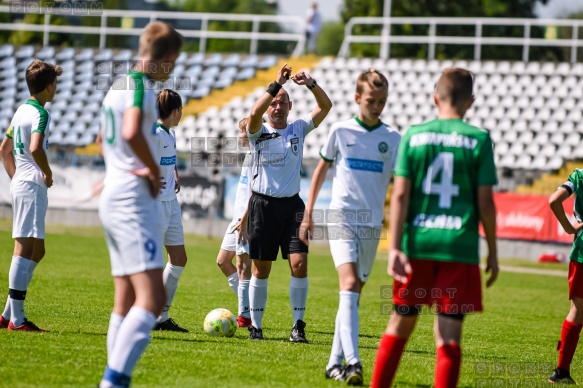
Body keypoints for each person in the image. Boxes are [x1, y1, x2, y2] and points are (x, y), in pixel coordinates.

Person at [370, 68, 499, 388]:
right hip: (459, 248)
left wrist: (395, 247)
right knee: (449, 336)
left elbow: (399, 194)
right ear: (471, 101)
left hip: (418, 246)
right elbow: (486, 204)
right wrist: (493, 253)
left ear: (434, 97)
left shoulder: (414, 135)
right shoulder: (480, 140)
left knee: (399, 325)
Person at [300, 69, 401, 385]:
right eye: (371, 100)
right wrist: (309, 213)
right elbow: (320, 170)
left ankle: (333, 363)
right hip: (341, 218)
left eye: (382, 101)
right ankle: (354, 363)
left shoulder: (393, 138)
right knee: (348, 284)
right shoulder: (340, 131)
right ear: (358, 98)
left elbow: (401, 185)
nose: (376, 106)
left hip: (372, 226)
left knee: (354, 295)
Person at [98, 21, 182, 387]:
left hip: (114, 193)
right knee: (152, 299)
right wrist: (150, 171)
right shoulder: (140, 88)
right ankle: (114, 381)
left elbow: (104, 135)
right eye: (174, 61)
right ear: (164, 58)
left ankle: (113, 378)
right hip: (131, 199)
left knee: (125, 299)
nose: (173, 69)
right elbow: (131, 131)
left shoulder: (117, 84)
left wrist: (115, 168)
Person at [246, 63, 332, 341]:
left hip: (292, 206)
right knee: (261, 268)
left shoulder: (298, 128)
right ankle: (256, 327)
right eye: (274, 103)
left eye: (283, 102)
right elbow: (253, 113)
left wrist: (311, 83)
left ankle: (298, 325)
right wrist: (276, 84)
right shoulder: (257, 131)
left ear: (291, 105)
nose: (277, 107)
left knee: (299, 264)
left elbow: (326, 106)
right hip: (262, 206)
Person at [0, 59, 61, 332]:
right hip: (32, 185)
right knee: (24, 248)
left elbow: (4, 150)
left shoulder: (21, 110)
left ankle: (7, 314)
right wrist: (46, 173)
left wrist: (17, 177)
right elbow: (36, 147)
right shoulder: (40, 114)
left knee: (38, 249)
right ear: (49, 87)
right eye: (55, 83)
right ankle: (18, 319)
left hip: (22, 182)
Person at [152, 89, 189, 332]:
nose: (181, 114)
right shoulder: (153, 133)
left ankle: (161, 316)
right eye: (181, 110)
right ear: (174, 111)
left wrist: (173, 174)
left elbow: (168, 160)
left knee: (179, 259)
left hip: (171, 204)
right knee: (151, 264)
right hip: (155, 205)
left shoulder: (171, 133)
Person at [216, 117, 253, 328]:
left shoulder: (259, 155)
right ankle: (247, 305)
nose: (240, 136)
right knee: (222, 261)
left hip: (247, 219)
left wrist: (246, 219)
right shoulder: (249, 156)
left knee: (243, 266)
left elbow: (256, 191)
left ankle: (245, 316)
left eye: (242, 132)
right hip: (237, 219)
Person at [547, 172, 583, 383]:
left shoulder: (580, 175)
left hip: (581, 251)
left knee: (577, 309)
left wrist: (570, 228)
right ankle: (561, 372)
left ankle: (562, 371)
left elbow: (554, 200)